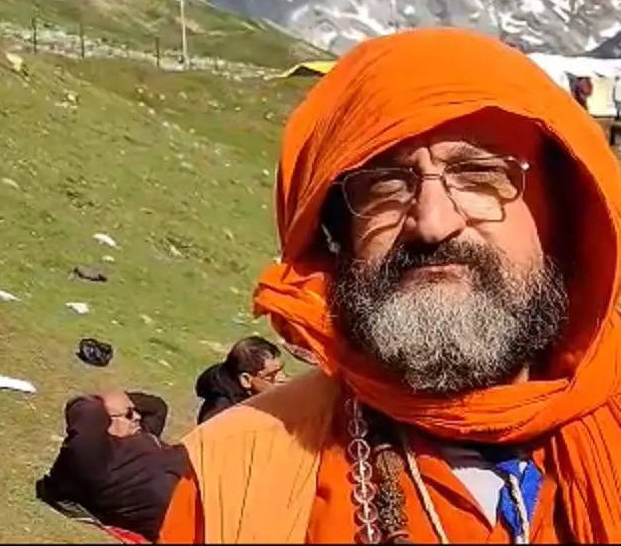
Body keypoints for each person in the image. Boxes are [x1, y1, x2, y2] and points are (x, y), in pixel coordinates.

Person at [158, 28, 621, 543]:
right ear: (338, 236)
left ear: (561, 216)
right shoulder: (239, 475)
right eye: (385, 185)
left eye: (479, 174)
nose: (433, 221)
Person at [37, 391, 188, 542]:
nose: (137, 417)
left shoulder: (140, 432)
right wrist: (103, 402)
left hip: (203, 468)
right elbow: (86, 409)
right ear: (103, 421)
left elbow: (156, 406)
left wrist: (119, 401)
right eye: (129, 414)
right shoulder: (95, 461)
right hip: (192, 504)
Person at [193, 336, 285, 424]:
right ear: (246, 380)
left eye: (280, 370)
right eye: (270, 376)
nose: (282, 379)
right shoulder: (220, 416)